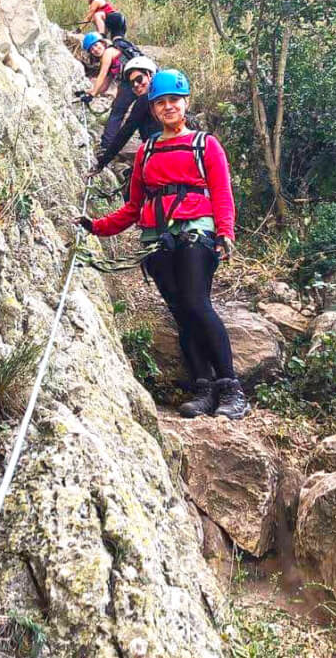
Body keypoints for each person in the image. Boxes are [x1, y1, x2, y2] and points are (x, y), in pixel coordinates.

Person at [77, 69, 248, 421]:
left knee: (196, 304)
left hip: (195, 234)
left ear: (185, 103)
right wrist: (96, 227)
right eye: (161, 103)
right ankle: (202, 388)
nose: (168, 107)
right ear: (153, 109)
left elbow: (221, 192)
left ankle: (231, 388)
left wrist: (225, 233)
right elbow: (133, 207)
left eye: (174, 100)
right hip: (156, 240)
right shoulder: (147, 151)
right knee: (182, 313)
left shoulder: (205, 144)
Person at [91, 55, 160, 177]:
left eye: (139, 79)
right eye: (132, 83)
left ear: (150, 75)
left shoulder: (144, 100)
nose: (137, 85)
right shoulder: (162, 96)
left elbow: (126, 132)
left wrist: (102, 162)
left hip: (158, 155)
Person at [75, 32, 141, 151]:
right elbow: (105, 85)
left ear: (102, 42)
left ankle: (106, 146)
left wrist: (93, 94)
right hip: (135, 82)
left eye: (96, 45)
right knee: (129, 111)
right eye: (92, 49)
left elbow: (102, 74)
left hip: (133, 83)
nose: (95, 49)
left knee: (117, 112)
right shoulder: (112, 56)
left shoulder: (108, 52)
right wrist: (87, 92)